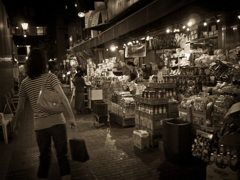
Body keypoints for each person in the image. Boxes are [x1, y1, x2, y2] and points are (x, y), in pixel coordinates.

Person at [12, 48, 76, 180]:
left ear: (29, 63)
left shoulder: (25, 83)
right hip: (57, 122)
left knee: (44, 159)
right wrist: (71, 117)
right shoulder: (50, 77)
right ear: (43, 62)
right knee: (62, 157)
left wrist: (16, 123)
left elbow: (20, 108)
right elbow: (63, 98)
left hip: (39, 126)